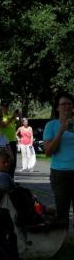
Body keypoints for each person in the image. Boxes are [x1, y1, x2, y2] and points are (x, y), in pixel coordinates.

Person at [43, 91, 74, 225]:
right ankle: (62, 237)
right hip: (60, 174)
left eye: (69, 104)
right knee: (62, 213)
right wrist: (60, 132)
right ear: (57, 107)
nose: (67, 106)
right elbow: (48, 152)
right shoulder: (51, 125)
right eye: (63, 104)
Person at [1, 101, 19, 177]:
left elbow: (19, 124)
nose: (6, 108)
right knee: (5, 161)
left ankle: (11, 178)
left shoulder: (10, 116)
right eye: (4, 106)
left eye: (7, 107)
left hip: (13, 141)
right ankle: (4, 178)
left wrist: (19, 116)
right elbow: (4, 125)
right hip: (4, 142)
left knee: (13, 162)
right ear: (1, 107)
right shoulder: (0, 117)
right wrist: (12, 117)